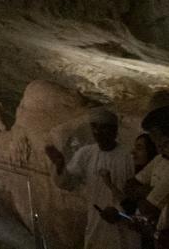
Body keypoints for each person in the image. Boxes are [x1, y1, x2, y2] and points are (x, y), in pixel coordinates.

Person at [46, 108, 141, 249]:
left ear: (114, 130)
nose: (98, 132)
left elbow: (137, 194)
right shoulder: (86, 153)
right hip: (97, 222)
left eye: (103, 128)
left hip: (124, 223)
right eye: (94, 127)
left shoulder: (128, 156)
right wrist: (60, 166)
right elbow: (68, 183)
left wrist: (120, 212)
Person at [133, 104, 169, 249]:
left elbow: (147, 208)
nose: (157, 145)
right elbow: (130, 186)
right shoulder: (161, 160)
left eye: (156, 138)